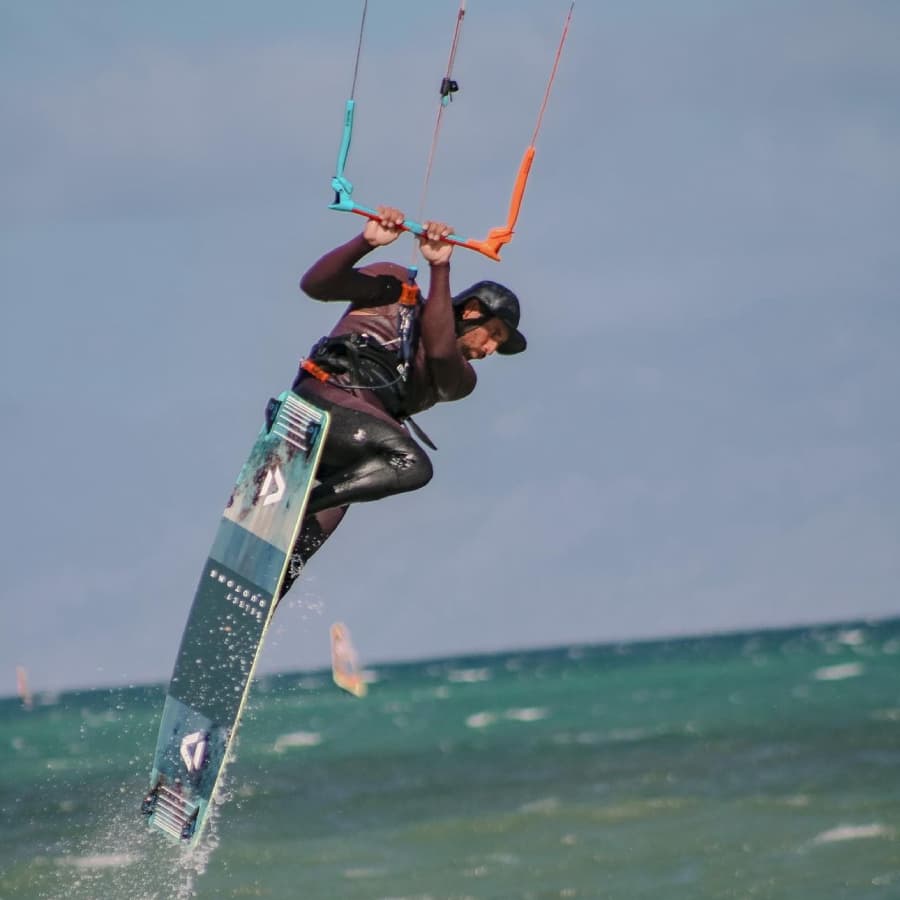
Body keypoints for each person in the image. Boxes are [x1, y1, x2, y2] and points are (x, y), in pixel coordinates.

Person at [281, 205, 526, 592]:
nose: (492, 348)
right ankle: (298, 504)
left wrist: (440, 268)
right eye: (493, 334)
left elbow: (441, 350)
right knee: (411, 463)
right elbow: (315, 286)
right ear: (473, 311)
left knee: (292, 561)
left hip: (346, 453)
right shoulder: (395, 289)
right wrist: (366, 243)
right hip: (322, 401)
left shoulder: (459, 379)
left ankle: (241, 624)